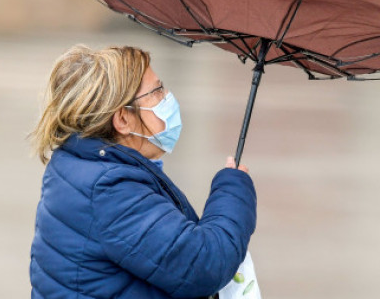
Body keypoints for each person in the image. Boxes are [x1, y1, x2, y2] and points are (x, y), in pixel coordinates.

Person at [29, 45, 257, 298]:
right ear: (123, 119)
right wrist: (233, 190)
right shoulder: (111, 190)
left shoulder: (80, 165)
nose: (168, 97)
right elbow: (205, 264)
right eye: (157, 91)